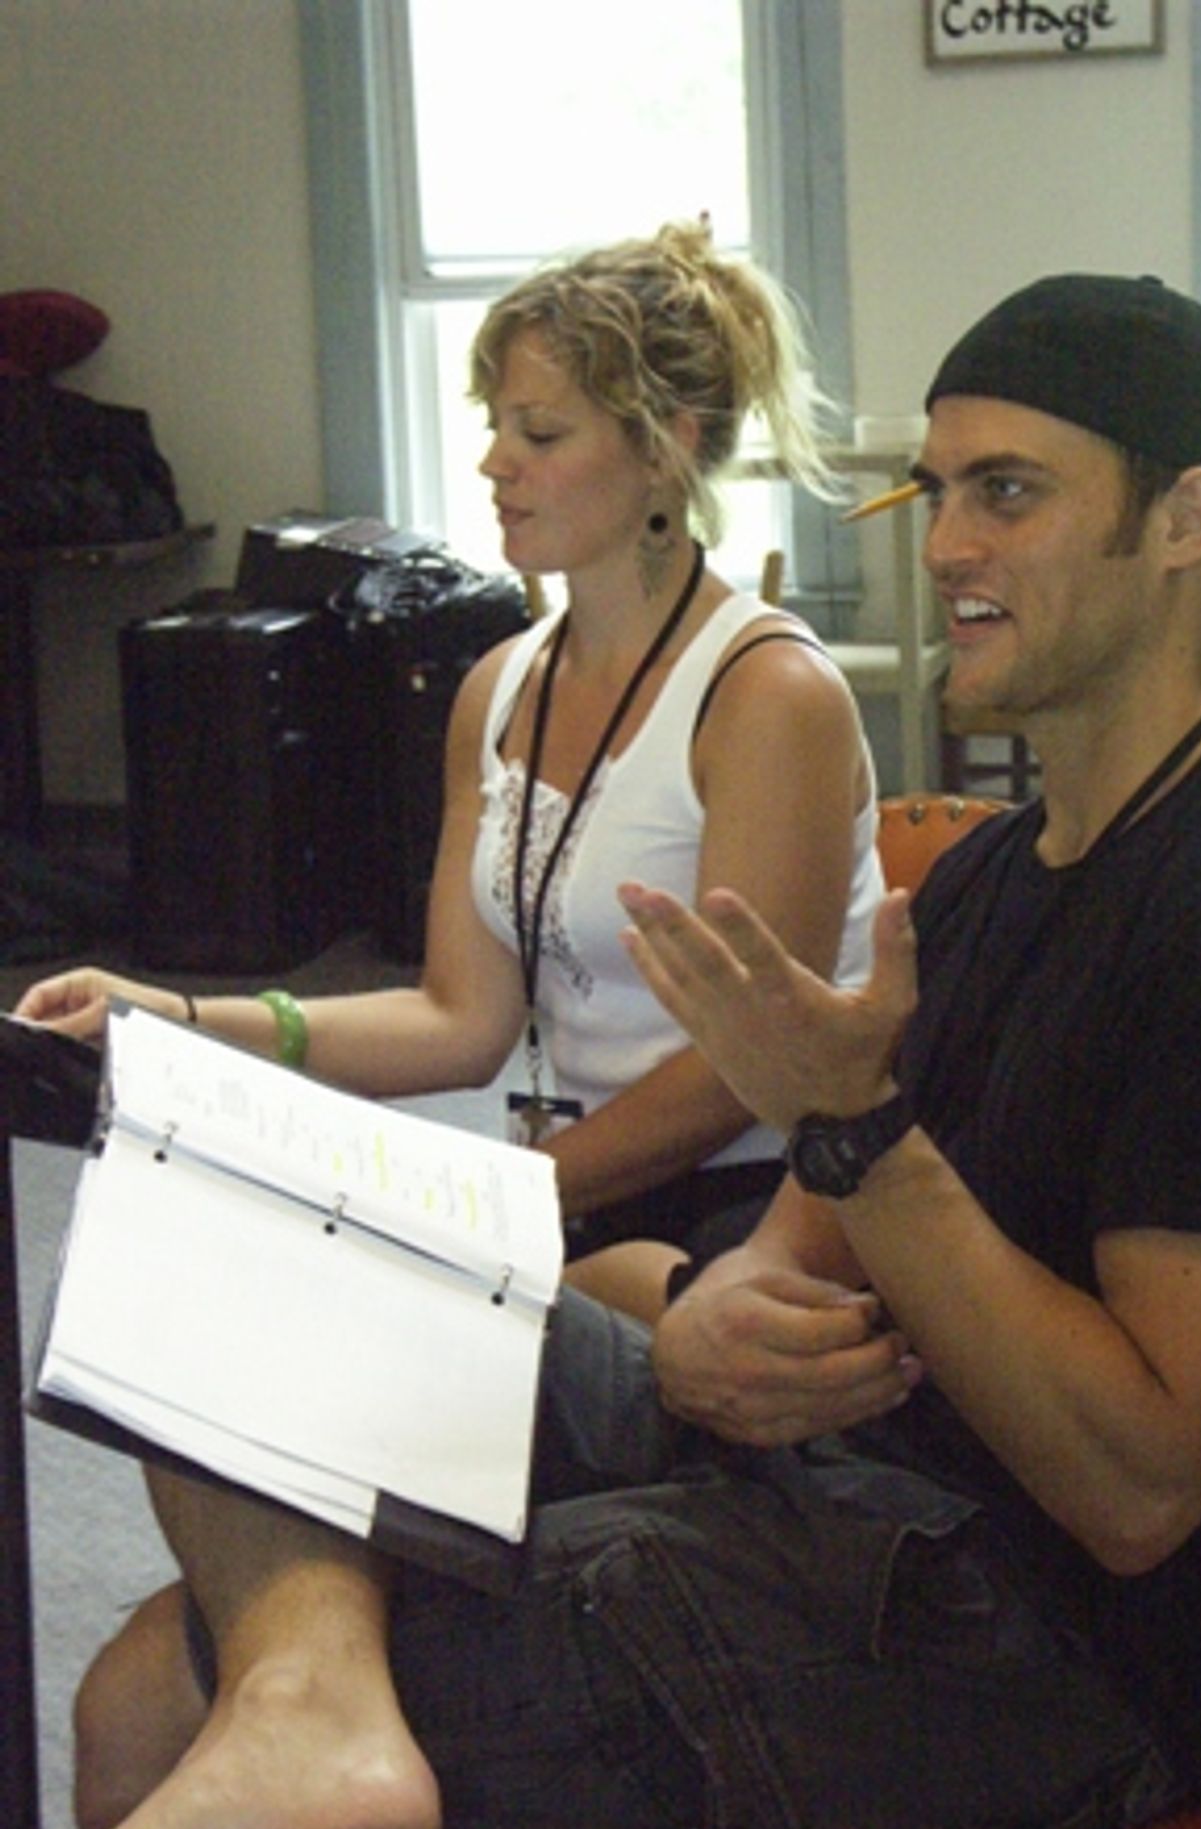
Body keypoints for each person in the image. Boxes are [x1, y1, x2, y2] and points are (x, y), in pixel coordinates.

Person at [46, 274, 1201, 1829]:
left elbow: (1139, 1489)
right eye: (940, 492)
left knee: (152, 1692)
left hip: (1049, 1649)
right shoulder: (994, 875)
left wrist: (852, 1125)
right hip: (859, 1476)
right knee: (244, 1257)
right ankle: (313, 1708)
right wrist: (717, 1318)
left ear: (1185, 521)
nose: (946, 545)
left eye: (1009, 492)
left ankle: (309, 1712)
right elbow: (798, 1246)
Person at [18, 220, 883, 1300]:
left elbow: (742, 1072)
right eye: (493, 424)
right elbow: (459, 1022)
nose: (493, 461)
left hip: (758, 1203)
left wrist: (491, 1198)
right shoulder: (500, 688)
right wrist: (176, 1019)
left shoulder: (765, 694)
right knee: (224, 1295)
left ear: (666, 445)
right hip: (579, 1184)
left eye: (540, 432)